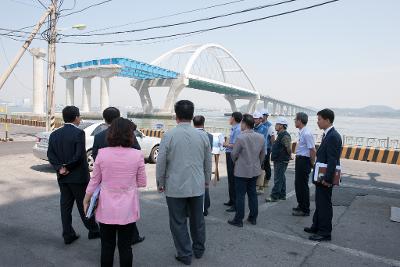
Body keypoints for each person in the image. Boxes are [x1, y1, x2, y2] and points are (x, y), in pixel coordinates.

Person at [84, 118, 147, 267]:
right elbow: (142, 182)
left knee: (107, 246)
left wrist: (86, 199)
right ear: (130, 134)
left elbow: (94, 181)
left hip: (106, 208)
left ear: (111, 133)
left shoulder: (102, 154)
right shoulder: (137, 155)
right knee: (125, 247)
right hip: (128, 209)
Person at [156, 100, 212, 265]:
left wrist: (160, 181)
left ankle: (185, 253)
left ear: (176, 115)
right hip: (197, 185)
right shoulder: (202, 136)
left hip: (174, 186)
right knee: (198, 219)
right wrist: (207, 179)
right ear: (192, 115)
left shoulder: (169, 135)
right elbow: (207, 161)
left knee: (178, 221)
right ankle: (199, 250)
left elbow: (161, 162)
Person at [92, 107, 145, 245]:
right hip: (126, 185)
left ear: (105, 119)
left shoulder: (98, 137)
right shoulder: (129, 135)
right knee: (126, 219)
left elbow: (95, 157)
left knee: (107, 242)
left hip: (106, 182)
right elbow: (138, 154)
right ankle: (133, 237)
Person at [47, 106, 100, 245]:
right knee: (84, 204)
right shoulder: (79, 133)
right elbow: (79, 156)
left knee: (65, 207)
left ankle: (68, 234)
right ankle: (93, 230)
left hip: (62, 177)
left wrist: (60, 168)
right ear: (76, 117)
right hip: (78, 177)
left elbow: (50, 155)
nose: (80, 118)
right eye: (79, 116)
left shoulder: (54, 134)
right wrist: (67, 167)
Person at [304, 109, 342, 242]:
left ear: (327, 120)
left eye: (319, 119)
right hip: (321, 176)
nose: (317, 122)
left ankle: (325, 232)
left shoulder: (333, 136)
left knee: (324, 204)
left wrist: (327, 179)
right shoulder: (328, 134)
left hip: (325, 177)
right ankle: (316, 226)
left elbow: (332, 160)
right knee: (320, 203)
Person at [228, 114, 265, 227]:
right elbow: (263, 154)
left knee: (240, 195)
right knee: (252, 194)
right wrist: (258, 163)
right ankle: (253, 218)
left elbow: (234, 154)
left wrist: (236, 162)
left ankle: (238, 219)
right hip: (254, 169)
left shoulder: (241, 137)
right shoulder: (260, 137)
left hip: (242, 170)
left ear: (244, 124)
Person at [293, 112, 316, 217]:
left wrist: (312, 163)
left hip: (304, 161)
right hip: (300, 159)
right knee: (298, 184)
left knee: (303, 185)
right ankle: (301, 204)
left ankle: (305, 209)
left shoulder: (307, 133)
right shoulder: (302, 132)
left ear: (300, 121)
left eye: (295, 119)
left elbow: (312, 149)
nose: (294, 121)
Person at [266, 117, 292, 202]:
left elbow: (288, 148)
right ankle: (282, 194)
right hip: (279, 159)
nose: (276, 126)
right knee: (281, 177)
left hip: (281, 160)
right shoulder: (281, 134)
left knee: (278, 178)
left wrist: (288, 155)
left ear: (282, 125)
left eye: (277, 124)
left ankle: (274, 196)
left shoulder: (285, 135)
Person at [193, 115, 213, 216]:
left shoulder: (189, 135)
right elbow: (209, 154)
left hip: (192, 166)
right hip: (204, 166)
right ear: (204, 123)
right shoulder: (209, 136)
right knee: (205, 188)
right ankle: (205, 207)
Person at [223, 111, 243, 212]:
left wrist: (225, 144)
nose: (229, 119)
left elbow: (235, 144)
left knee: (233, 179)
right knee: (230, 179)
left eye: (230, 117)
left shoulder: (238, 129)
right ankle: (231, 200)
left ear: (234, 118)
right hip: (229, 154)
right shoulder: (234, 128)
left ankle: (235, 203)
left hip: (232, 155)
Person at [252, 111, 267, 194]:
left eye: (256, 119)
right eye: (254, 118)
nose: (255, 120)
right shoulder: (254, 127)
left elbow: (259, 140)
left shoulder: (263, 128)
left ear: (261, 119)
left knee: (261, 169)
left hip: (261, 152)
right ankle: (255, 186)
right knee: (256, 168)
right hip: (255, 152)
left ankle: (260, 187)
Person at [261, 110, 275, 188]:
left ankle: (266, 181)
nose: (261, 117)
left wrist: (273, 149)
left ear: (266, 116)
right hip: (259, 149)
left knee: (265, 165)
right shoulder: (258, 124)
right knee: (262, 165)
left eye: (262, 116)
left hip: (267, 148)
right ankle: (261, 181)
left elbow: (272, 138)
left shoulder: (269, 126)